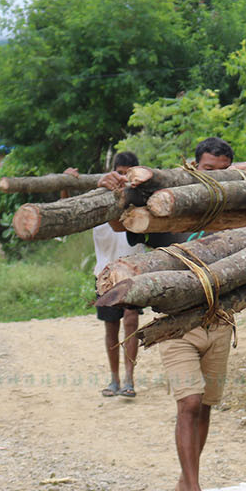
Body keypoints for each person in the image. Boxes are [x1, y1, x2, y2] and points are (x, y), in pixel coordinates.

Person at [99, 137, 246, 491]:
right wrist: (114, 192)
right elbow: (121, 223)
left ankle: (184, 479)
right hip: (177, 322)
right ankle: (194, 490)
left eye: (223, 169)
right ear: (192, 167)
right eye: (208, 169)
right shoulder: (166, 204)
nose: (215, 176)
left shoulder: (232, 208)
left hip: (221, 319)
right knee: (189, 402)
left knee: (205, 406)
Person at [84, 152, 142, 397]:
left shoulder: (142, 200)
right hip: (105, 274)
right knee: (111, 328)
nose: (123, 178)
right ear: (112, 172)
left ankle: (129, 378)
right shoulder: (99, 200)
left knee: (131, 320)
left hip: (134, 271)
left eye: (129, 173)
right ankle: (114, 379)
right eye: (120, 172)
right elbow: (73, 208)